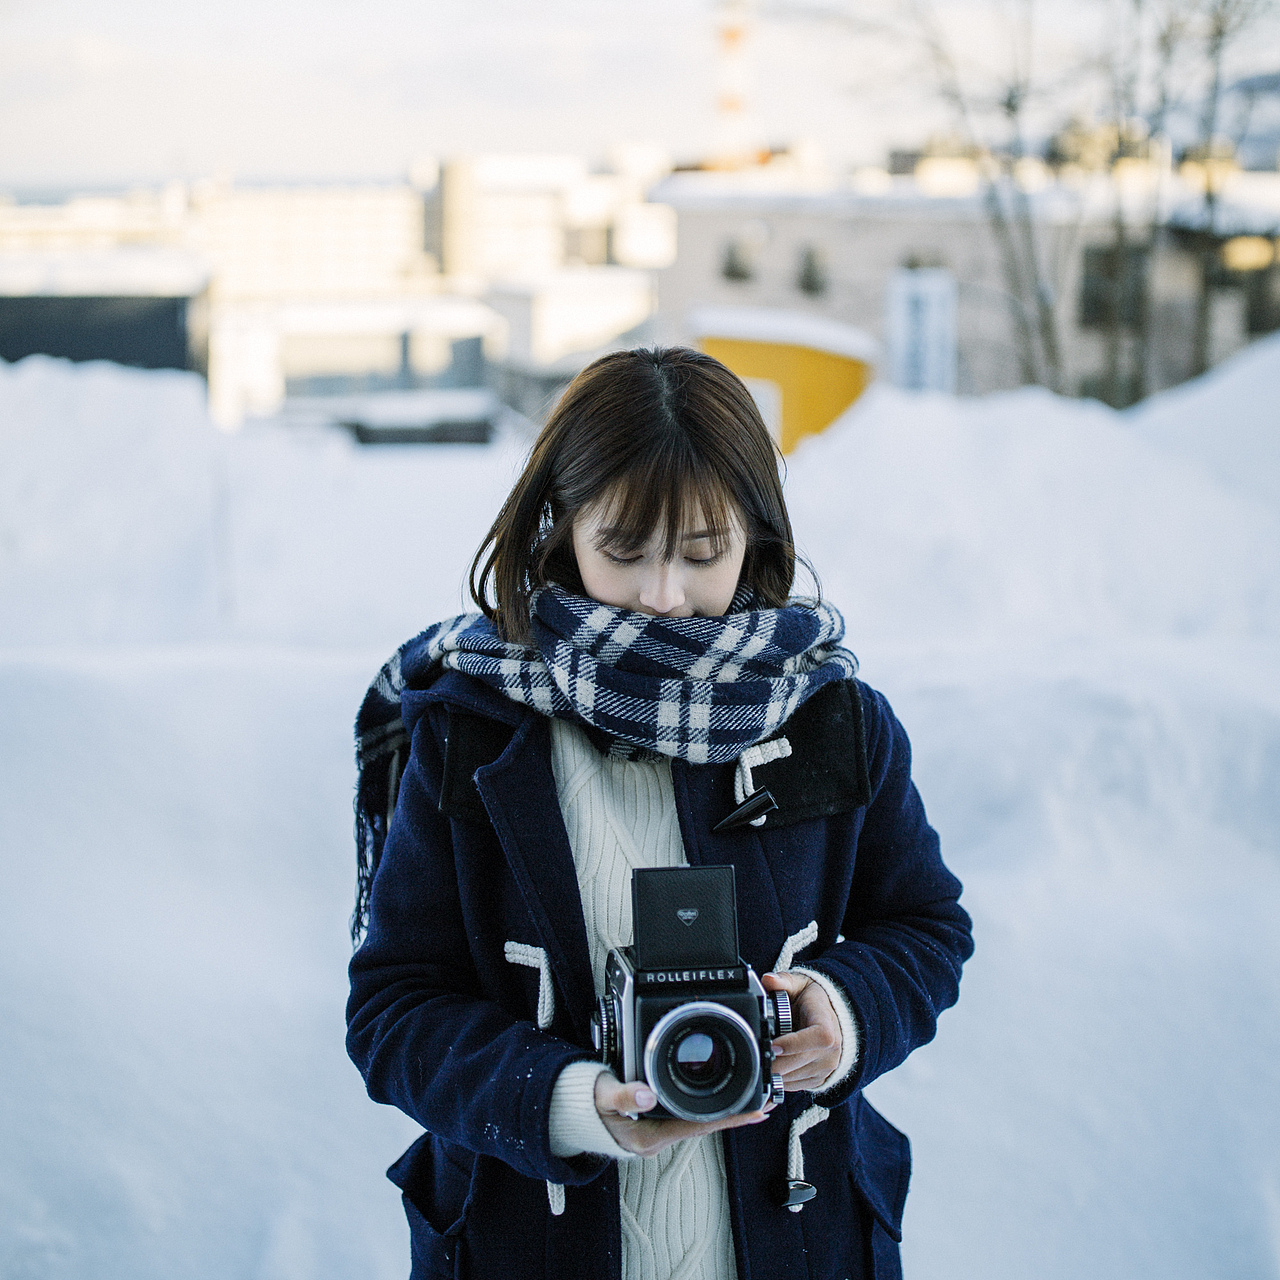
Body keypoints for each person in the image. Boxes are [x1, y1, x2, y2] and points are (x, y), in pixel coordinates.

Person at [346, 346, 973, 1280]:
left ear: (756, 538)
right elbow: (393, 1011)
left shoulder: (831, 720)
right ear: (562, 530)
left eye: (703, 552)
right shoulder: (473, 733)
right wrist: (562, 1100)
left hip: (803, 1242)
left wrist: (841, 1011)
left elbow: (926, 928)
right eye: (624, 550)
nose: (664, 597)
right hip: (530, 1246)